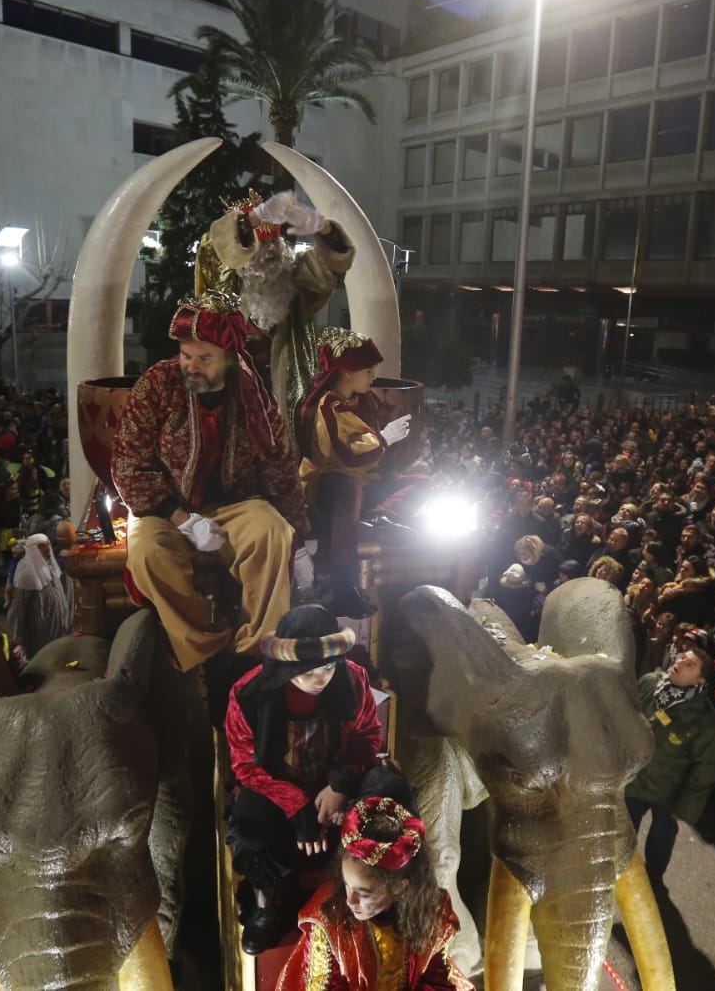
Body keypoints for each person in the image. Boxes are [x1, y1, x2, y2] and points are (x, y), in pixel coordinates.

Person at [113, 289, 308, 673]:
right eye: (187, 355)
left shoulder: (252, 394)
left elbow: (280, 464)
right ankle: (204, 650)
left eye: (205, 357)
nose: (192, 366)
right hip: (164, 508)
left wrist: (299, 535)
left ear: (230, 359)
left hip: (235, 504)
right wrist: (181, 518)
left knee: (273, 533)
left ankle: (260, 648)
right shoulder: (156, 385)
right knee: (149, 555)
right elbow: (128, 463)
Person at [224, 605, 383, 954]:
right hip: (277, 787)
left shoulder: (352, 679)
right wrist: (297, 805)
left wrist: (340, 783)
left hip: (334, 779)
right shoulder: (249, 694)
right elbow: (244, 765)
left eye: (327, 667)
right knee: (248, 816)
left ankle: (365, 893)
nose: (319, 679)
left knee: (386, 793)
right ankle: (267, 906)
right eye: (307, 671)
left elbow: (368, 736)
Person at [275, 796, 473, 991]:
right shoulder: (330, 917)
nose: (350, 901)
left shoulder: (431, 910)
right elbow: (327, 986)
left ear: (399, 886)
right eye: (347, 885)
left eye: (365, 893)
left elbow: (436, 976)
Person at [195, 189, 358, 422]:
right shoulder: (225, 285)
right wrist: (252, 219)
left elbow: (329, 270)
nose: (272, 249)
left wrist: (324, 229)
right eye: (263, 242)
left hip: (285, 412)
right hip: (233, 411)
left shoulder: (295, 285)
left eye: (275, 241)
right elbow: (212, 249)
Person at [295, 326, 415, 618]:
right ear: (348, 371)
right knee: (346, 489)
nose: (373, 377)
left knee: (421, 481)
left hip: (365, 476)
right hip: (328, 481)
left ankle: (379, 516)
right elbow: (345, 454)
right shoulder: (327, 406)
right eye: (368, 370)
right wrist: (384, 438)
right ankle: (342, 581)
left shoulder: (364, 400)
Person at [624, 647, 715, 884]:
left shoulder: (707, 722)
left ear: (700, 680)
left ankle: (654, 879)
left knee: (661, 836)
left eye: (690, 665)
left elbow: (705, 769)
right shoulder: (649, 684)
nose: (679, 662)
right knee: (623, 832)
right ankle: (617, 874)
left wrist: (687, 807)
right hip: (634, 781)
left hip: (669, 793)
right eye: (681, 657)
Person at [3, 532, 73, 659]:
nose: (47, 548)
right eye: (41, 546)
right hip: (39, 630)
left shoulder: (49, 566)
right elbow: (18, 609)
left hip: (57, 626)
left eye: (48, 544)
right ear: (32, 550)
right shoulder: (26, 574)